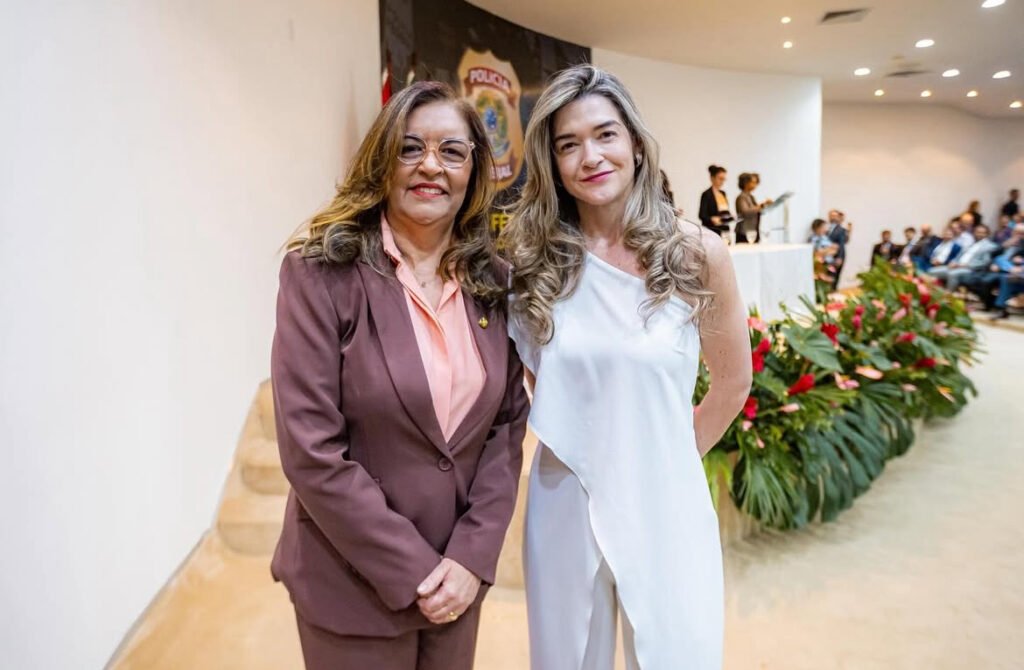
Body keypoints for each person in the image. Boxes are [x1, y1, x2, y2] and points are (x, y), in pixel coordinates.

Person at [270, 81, 529, 670]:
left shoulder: (494, 281)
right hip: (351, 587)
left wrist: (470, 557)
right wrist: (417, 570)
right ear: (382, 159)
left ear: (474, 170)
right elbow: (312, 451)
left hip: (457, 587)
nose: (430, 166)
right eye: (410, 148)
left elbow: (505, 429)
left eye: (452, 151)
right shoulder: (321, 275)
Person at [501, 65, 751, 670]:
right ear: (552, 163)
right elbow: (544, 385)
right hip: (566, 491)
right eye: (568, 144)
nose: (590, 156)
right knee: (567, 658)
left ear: (635, 143)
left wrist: (664, 456)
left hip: (665, 492)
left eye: (605, 134)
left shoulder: (696, 253)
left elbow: (732, 382)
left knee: (676, 652)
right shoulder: (532, 263)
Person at [928, 223, 998, 292]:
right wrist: (953, 262)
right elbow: (958, 256)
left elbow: (984, 262)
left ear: (987, 234)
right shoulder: (971, 244)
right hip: (957, 266)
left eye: (982, 233)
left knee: (952, 274)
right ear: (974, 233)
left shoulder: (989, 246)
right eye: (978, 232)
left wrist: (966, 265)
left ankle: (948, 295)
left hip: (970, 269)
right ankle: (933, 292)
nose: (979, 234)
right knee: (931, 271)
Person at [734, 172, 773, 244]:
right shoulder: (741, 197)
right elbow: (745, 212)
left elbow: (756, 210)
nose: (755, 185)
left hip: (753, 231)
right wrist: (762, 205)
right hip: (744, 232)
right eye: (753, 182)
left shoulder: (751, 197)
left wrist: (765, 206)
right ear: (745, 183)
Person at [698, 164, 733, 237]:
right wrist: (711, 219)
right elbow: (702, 215)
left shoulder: (723, 193)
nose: (722, 181)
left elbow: (725, 212)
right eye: (720, 178)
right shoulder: (706, 194)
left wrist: (731, 217)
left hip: (724, 229)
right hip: (712, 231)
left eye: (724, 179)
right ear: (712, 178)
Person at [826, 209, 848, 288]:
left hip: (837, 256)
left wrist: (840, 257)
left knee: (834, 276)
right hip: (827, 255)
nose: (833, 217)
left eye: (835, 216)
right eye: (831, 215)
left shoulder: (841, 230)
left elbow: (841, 244)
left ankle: (833, 290)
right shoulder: (826, 228)